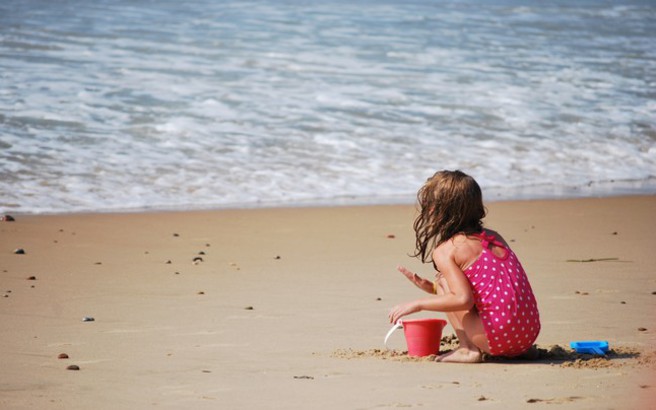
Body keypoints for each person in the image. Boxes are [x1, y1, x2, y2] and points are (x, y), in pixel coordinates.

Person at [389, 170, 540, 363]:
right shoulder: (495, 237)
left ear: (439, 211)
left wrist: (417, 304)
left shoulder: (446, 251)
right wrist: (434, 289)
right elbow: (496, 289)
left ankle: (468, 349)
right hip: (528, 335)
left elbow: (463, 299)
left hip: (498, 338)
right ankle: (518, 350)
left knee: (444, 280)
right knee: (443, 284)